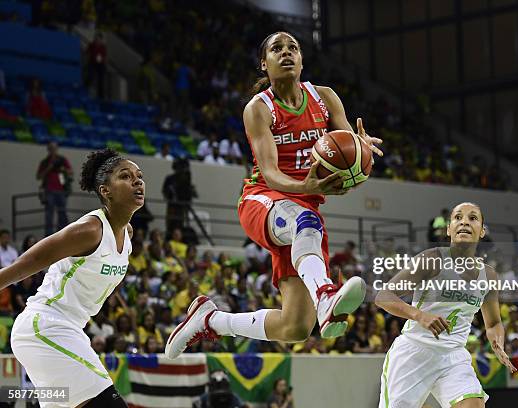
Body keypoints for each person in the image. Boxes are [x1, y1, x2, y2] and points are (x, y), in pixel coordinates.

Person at [165, 31, 383, 359]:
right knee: (306, 221)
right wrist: (308, 188)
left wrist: (359, 157)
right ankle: (325, 293)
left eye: (293, 48)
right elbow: (271, 174)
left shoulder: (325, 98)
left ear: (302, 59)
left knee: (295, 327)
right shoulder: (259, 109)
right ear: (263, 64)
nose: (286, 53)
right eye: (276, 49)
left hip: (303, 212)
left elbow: (347, 159)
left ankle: (211, 320)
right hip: (262, 199)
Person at [5, 148, 145, 407]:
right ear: (106, 191)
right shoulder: (90, 229)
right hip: (45, 326)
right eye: (125, 176)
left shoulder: (128, 234)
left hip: (70, 330)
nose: (137, 181)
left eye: (139, 176)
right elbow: (30, 261)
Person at [375, 202, 516, 408]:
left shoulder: (489, 276)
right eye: (458, 218)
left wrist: (498, 343)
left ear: (482, 231)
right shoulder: (432, 259)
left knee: (473, 405)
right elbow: (383, 296)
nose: (464, 222)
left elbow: (493, 323)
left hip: (453, 356)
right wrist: (420, 316)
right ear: (449, 229)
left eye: (473, 218)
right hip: (414, 352)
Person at [37, 142, 73, 236]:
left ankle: (63, 233)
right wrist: (49, 168)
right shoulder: (45, 162)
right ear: (48, 149)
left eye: (54, 148)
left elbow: (70, 172)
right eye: (51, 148)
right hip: (49, 191)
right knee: (49, 213)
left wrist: (63, 169)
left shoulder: (62, 160)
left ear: (57, 149)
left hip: (61, 190)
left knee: (62, 212)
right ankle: (48, 235)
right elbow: (39, 176)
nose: (53, 150)